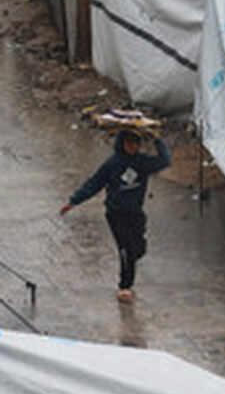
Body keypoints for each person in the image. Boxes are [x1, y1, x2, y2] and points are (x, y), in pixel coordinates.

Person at [59, 130, 170, 303]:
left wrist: (157, 140)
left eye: (135, 143)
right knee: (125, 250)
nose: (132, 146)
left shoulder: (142, 162)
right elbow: (94, 183)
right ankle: (125, 286)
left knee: (138, 249)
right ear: (122, 143)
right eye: (128, 143)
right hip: (116, 214)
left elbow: (165, 161)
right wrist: (73, 202)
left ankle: (132, 260)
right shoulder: (112, 164)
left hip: (135, 213)